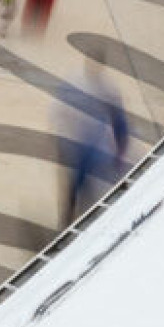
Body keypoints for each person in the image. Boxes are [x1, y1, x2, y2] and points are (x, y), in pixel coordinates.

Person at [58, 62, 129, 226]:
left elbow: (119, 121)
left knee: (83, 185)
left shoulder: (105, 88)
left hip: (93, 144)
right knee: (78, 184)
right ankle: (70, 217)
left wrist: (120, 150)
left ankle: (72, 218)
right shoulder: (83, 83)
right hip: (83, 143)